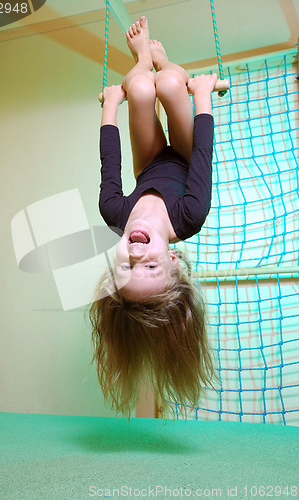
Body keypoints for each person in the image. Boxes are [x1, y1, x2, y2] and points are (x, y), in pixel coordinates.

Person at [89, 16, 217, 418]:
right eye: (150, 265)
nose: (135, 254)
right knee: (166, 84)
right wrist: (203, 95)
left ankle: (144, 56)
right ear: (173, 261)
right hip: (184, 151)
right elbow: (201, 156)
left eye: (127, 267)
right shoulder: (190, 215)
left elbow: (110, 160)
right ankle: (165, 63)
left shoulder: (115, 213)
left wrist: (111, 104)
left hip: (149, 165)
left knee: (140, 89)